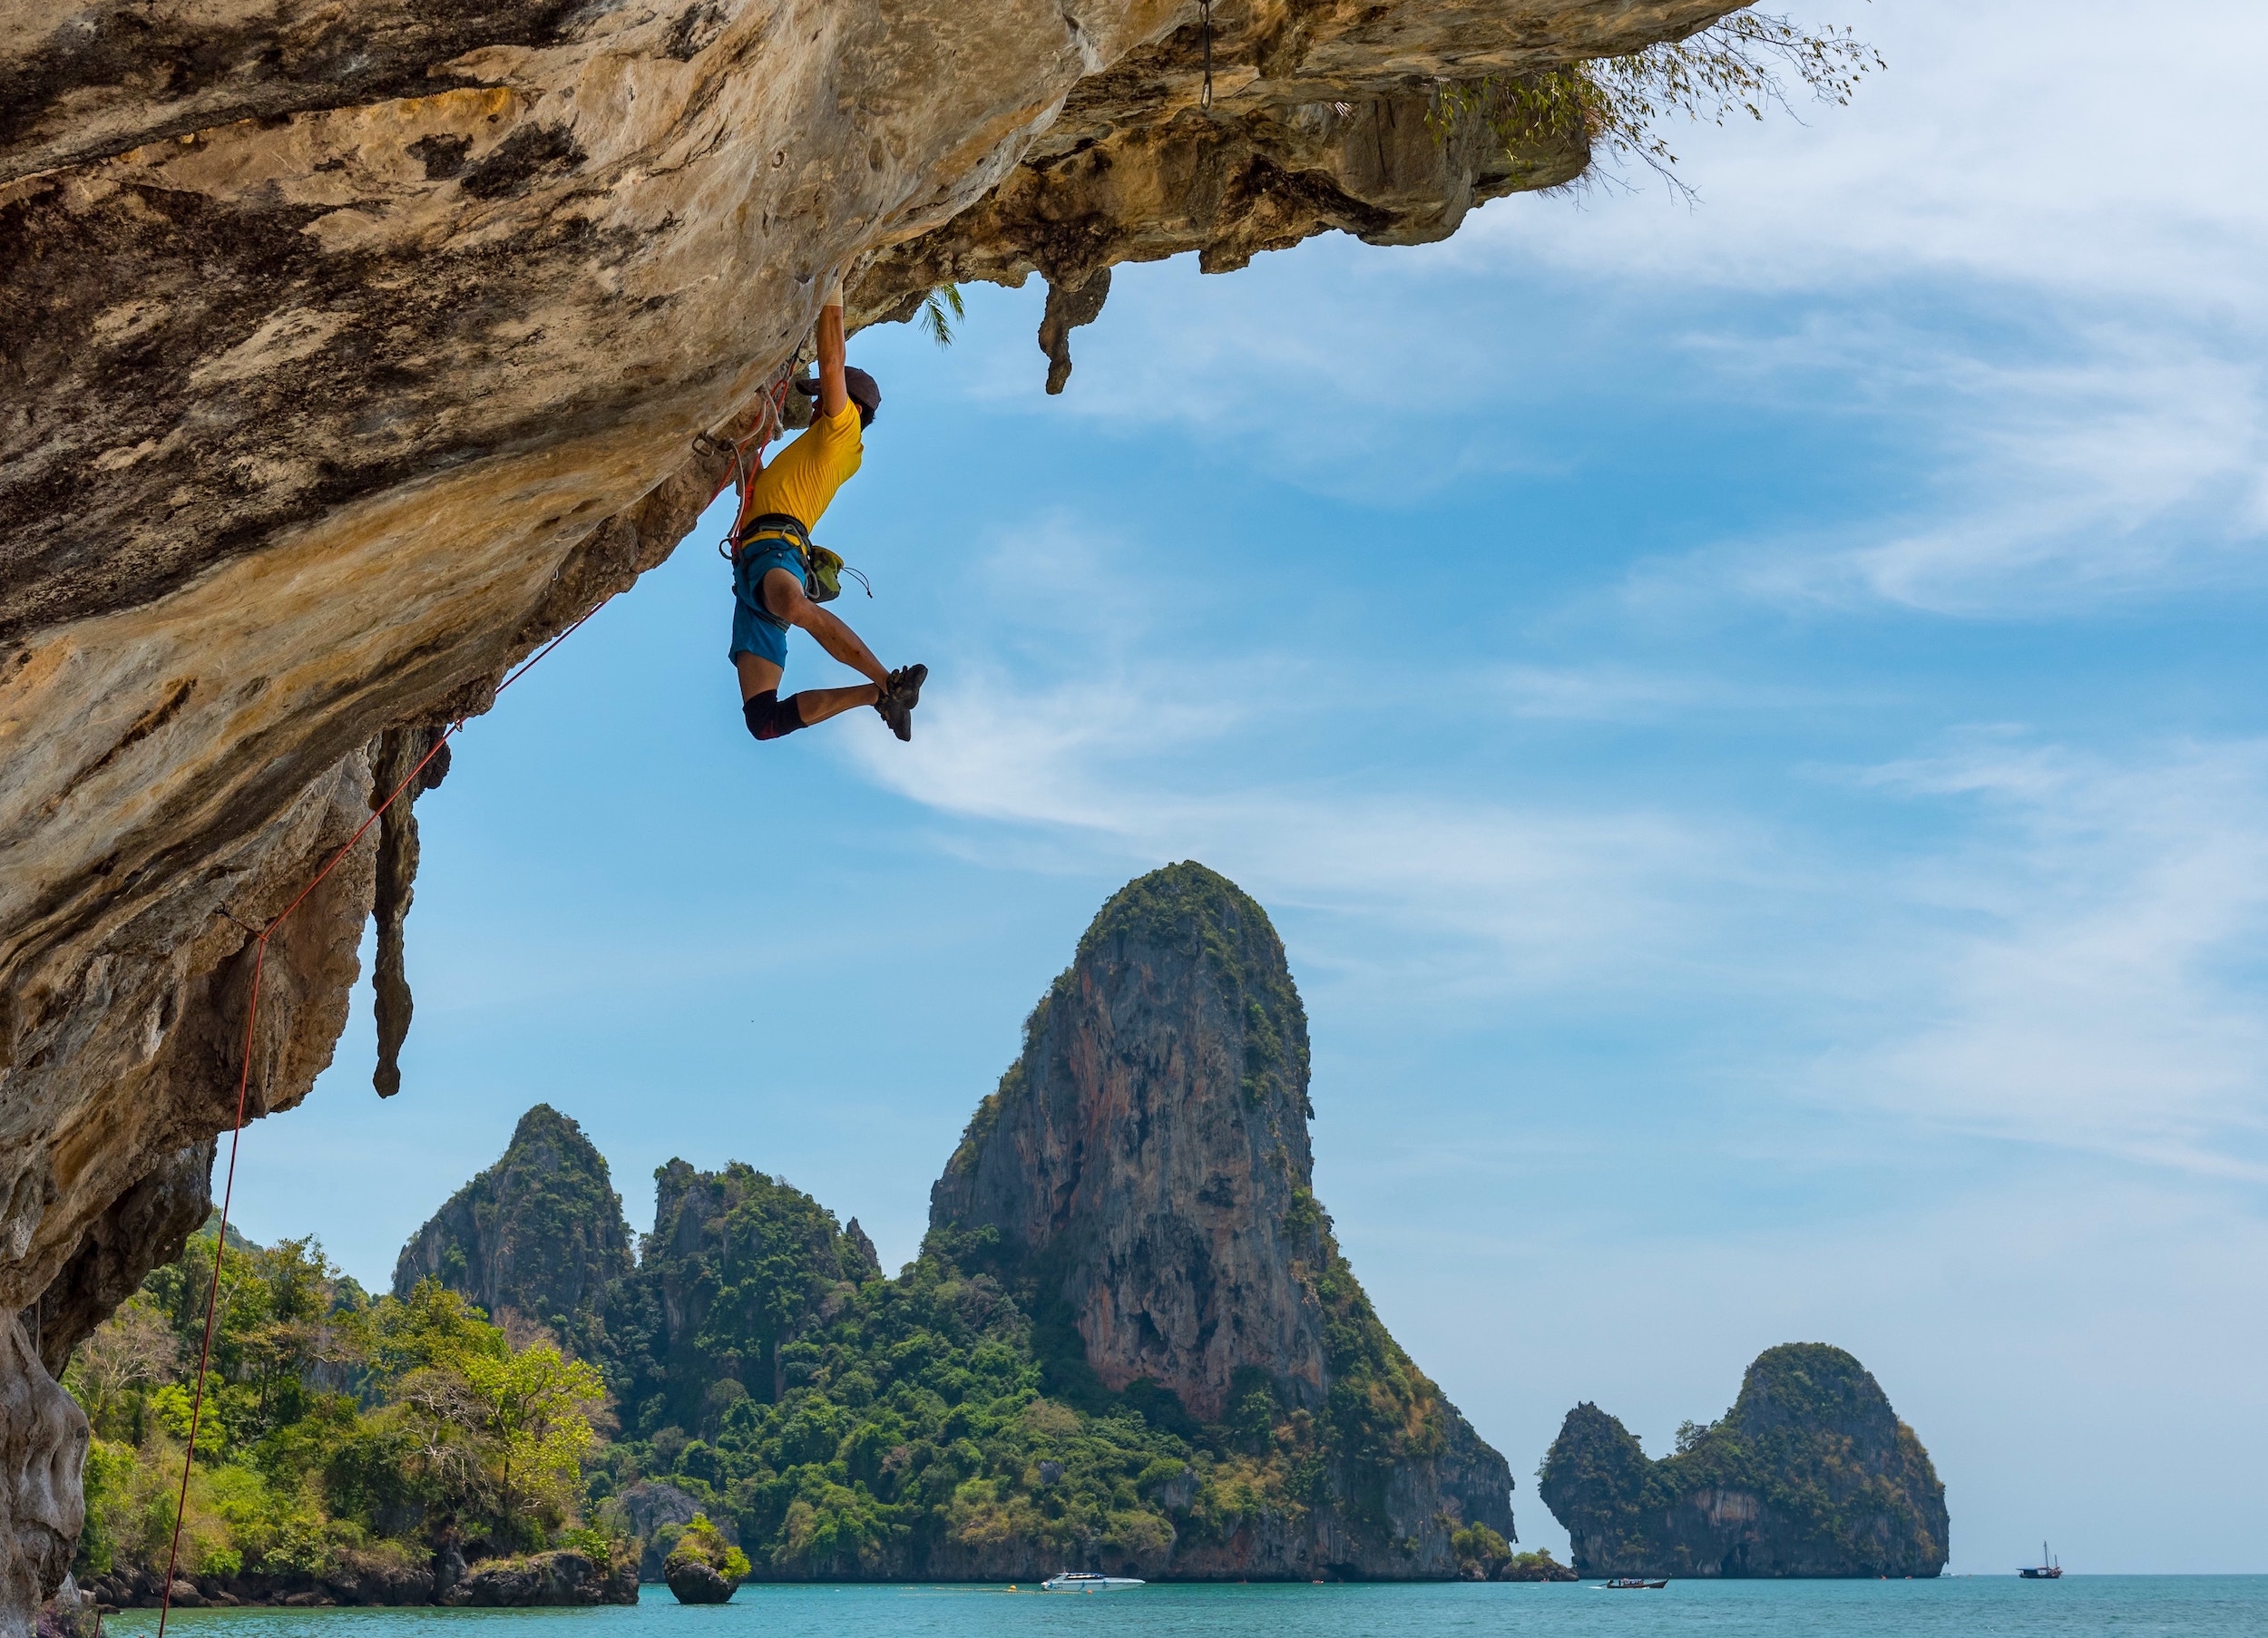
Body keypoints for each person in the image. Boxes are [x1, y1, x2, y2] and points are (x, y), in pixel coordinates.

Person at [727, 275, 925, 743]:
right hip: (754, 569)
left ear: (848, 407)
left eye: (821, 400)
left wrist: (831, 285)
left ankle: (888, 681)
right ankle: (880, 697)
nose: (815, 407)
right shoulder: (820, 450)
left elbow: (833, 362)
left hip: (777, 552)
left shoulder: (843, 434)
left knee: (793, 605)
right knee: (763, 721)